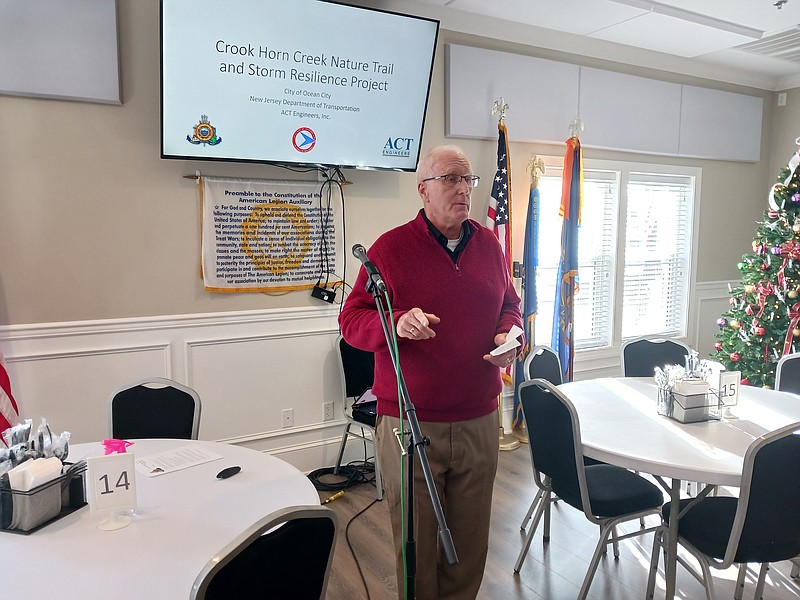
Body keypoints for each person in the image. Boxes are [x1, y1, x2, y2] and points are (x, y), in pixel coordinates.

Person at [338, 145, 523, 599]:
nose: (462, 189)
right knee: (417, 541)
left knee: (470, 537)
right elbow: (351, 322)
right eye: (450, 179)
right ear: (423, 190)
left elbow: (510, 306)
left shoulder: (489, 245)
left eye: (468, 180)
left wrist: (508, 336)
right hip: (410, 422)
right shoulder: (390, 249)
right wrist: (395, 323)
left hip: (479, 417)